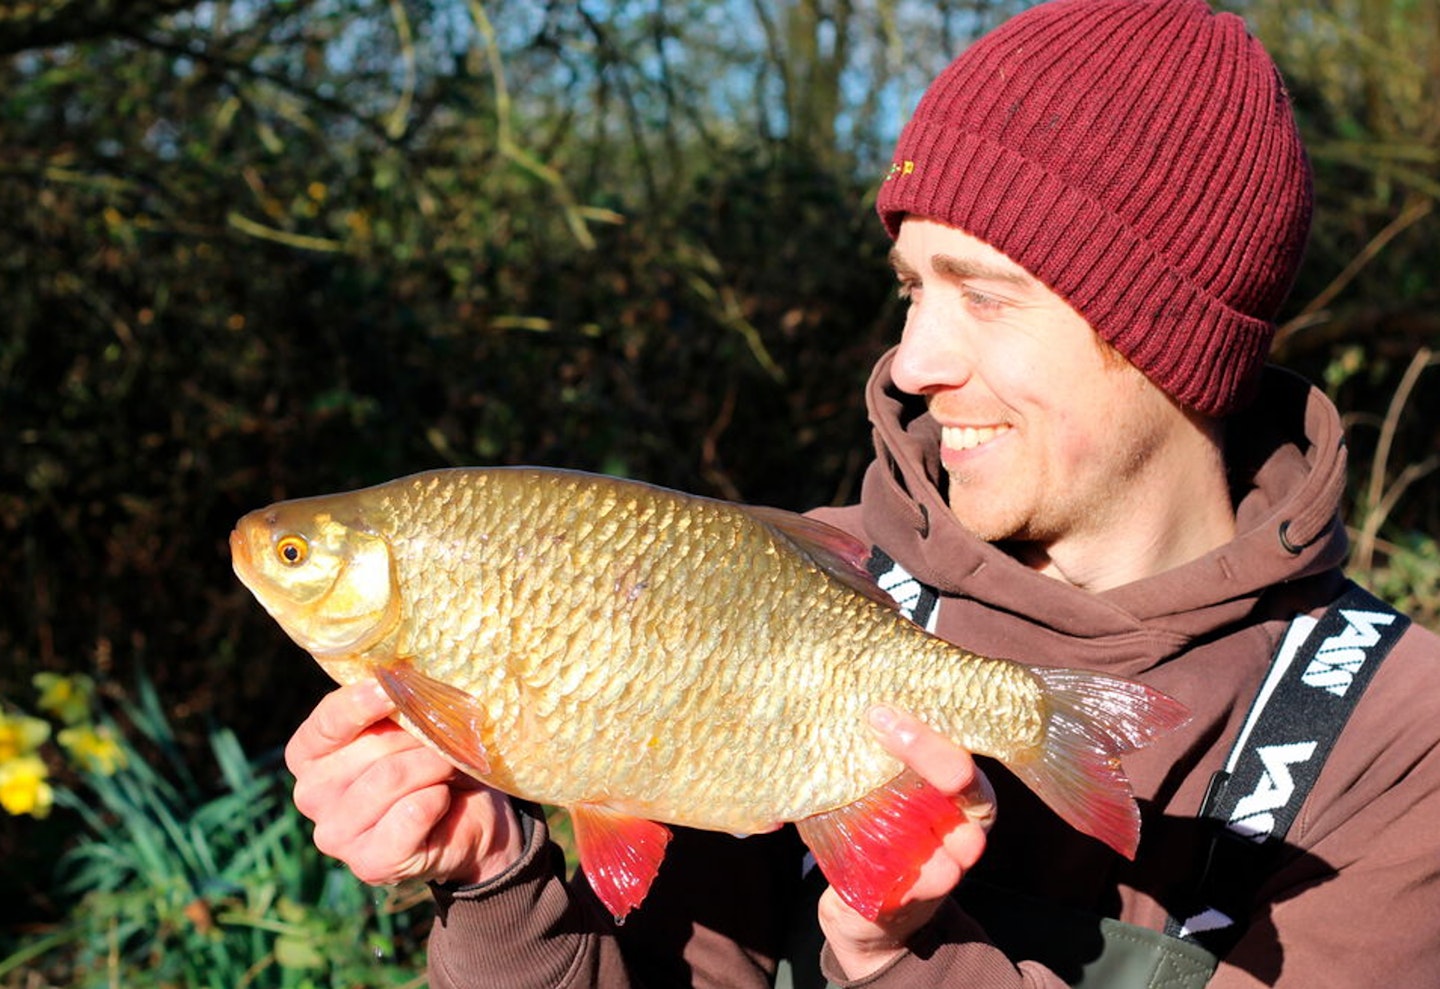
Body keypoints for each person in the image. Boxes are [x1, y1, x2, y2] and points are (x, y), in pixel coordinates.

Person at [282, 0, 1440, 985]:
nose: (913, 359)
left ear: (1171, 340)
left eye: (983, 295)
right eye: (909, 288)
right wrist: (496, 877)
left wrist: (899, 956)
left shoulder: (1396, 737)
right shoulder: (782, 584)